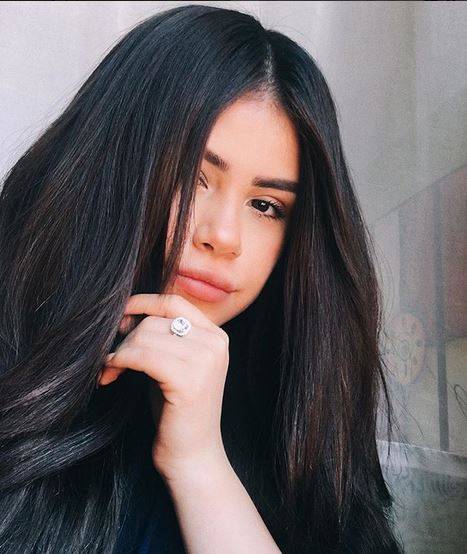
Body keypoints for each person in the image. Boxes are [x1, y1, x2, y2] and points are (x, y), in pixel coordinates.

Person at [0, 4, 405, 553]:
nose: (224, 236)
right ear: (111, 165)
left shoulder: (300, 418)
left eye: (266, 205)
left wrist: (199, 463)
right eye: (193, 177)